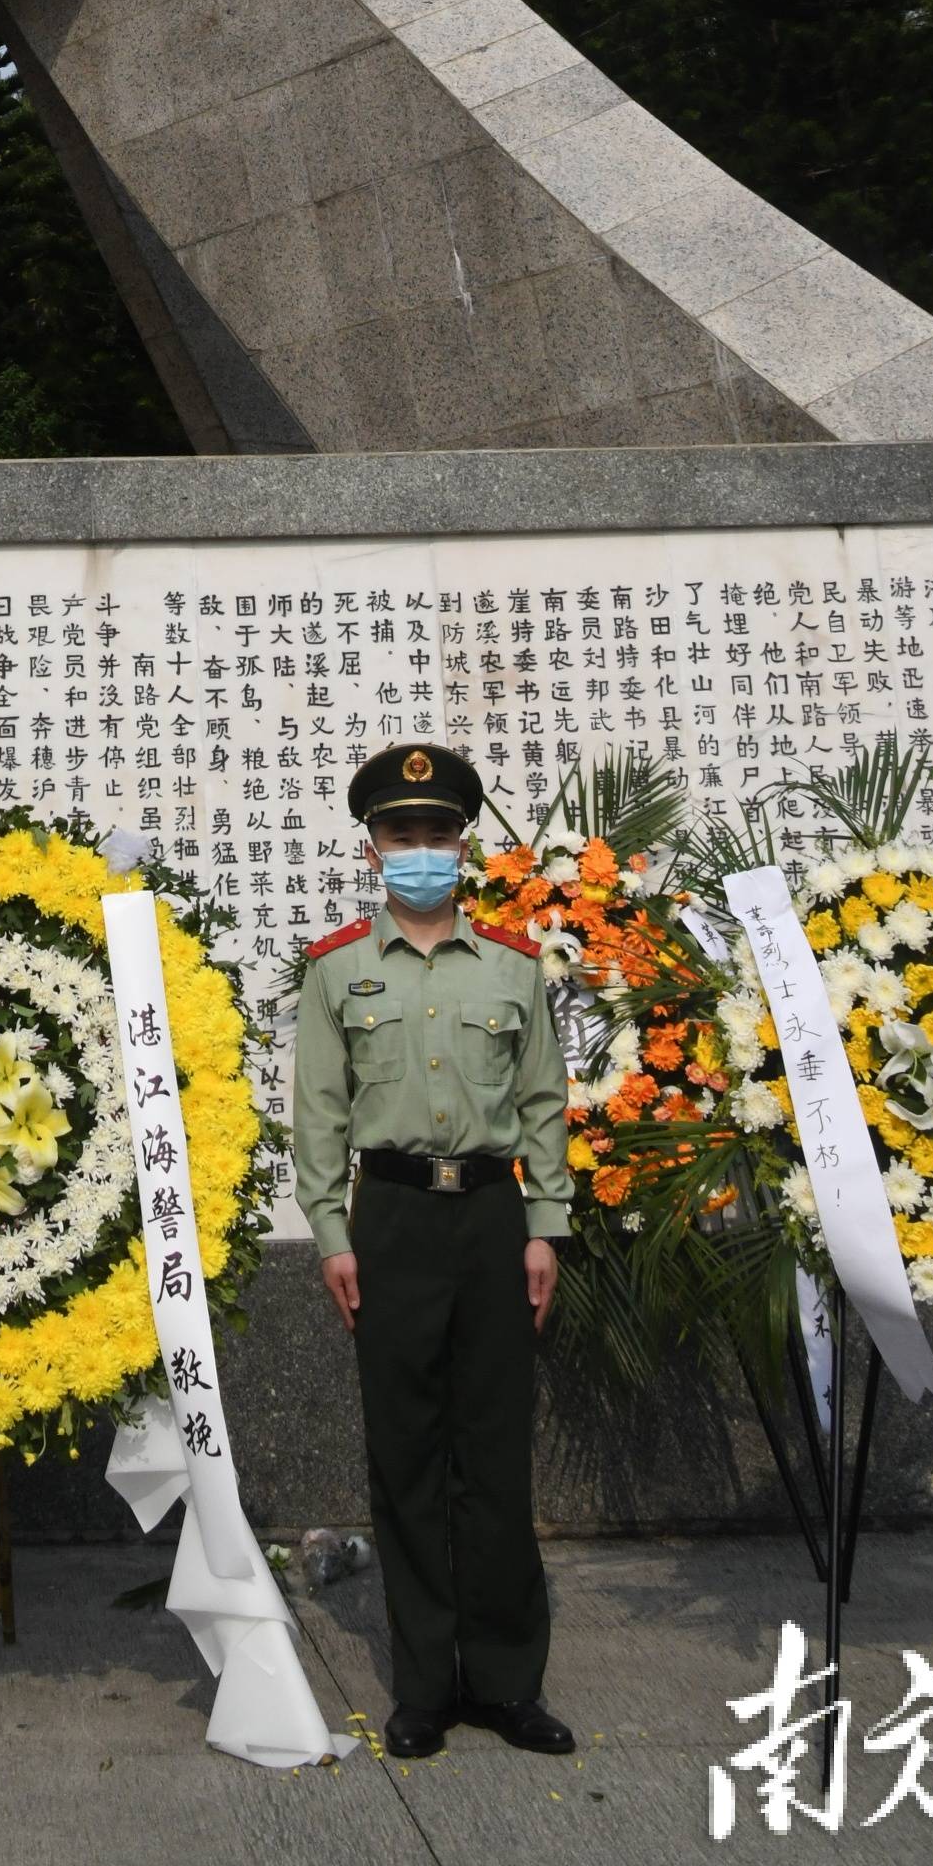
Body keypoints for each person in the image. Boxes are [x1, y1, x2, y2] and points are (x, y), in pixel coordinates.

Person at [291, 737, 575, 1764]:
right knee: (406, 1452)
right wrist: (331, 1234)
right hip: (394, 1221)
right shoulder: (337, 970)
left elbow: (542, 1101)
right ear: (373, 848)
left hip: (492, 1217)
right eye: (401, 833)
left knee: (494, 1454)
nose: (420, 849)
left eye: (437, 833)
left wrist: (546, 1226)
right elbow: (319, 1114)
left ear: (463, 845)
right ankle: (421, 1688)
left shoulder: (511, 966)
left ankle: (506, 1682)